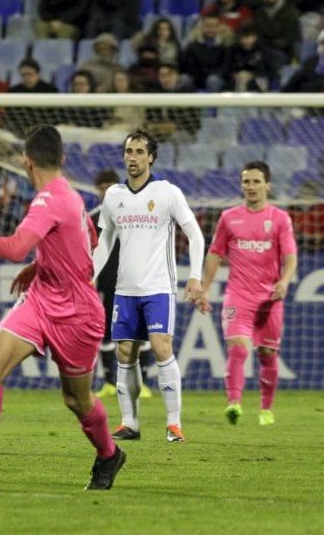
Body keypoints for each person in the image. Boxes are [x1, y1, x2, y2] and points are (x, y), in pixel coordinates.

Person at [0, 125, 125, 490]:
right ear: (62, 158)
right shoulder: (69, 195)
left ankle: (109, 454)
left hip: (77, 313)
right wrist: (42, 265)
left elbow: (13, 248)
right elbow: (87, 240)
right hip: (43, 299)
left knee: (77, 400)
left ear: (26, 162)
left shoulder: (47, 199)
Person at [92, 130, 206, 443]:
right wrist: (87, 276)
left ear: (151, 157)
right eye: (129, 151)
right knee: (125, 352)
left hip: (158, 287)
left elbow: (195, 234)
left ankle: (173, 424)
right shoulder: (114, 196)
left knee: (160, 347)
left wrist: (195, 276)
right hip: (125, 289)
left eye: (140, 151)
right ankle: (129, 423)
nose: (133, 157)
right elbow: (104, 241)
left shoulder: (167, 192)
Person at [196, 161, 297, 427]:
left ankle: (266, 408)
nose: (250, 187)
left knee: (267, 354)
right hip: (238, 296)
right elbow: (215, 254)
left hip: (270, 299)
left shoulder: (279, 219)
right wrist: (204, 290)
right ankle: (234, 404)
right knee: (238, 349)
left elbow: (290, 256)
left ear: (267, 185)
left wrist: (284, 281)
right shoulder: (229, 218)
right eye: (246, 182)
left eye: (255, 181)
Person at [90, 169, 155, 400]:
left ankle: (144, 383)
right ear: (98, 190)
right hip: (106, 283)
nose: (106, 189)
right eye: (102, 186)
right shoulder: (93, 217)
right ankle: (108, 382)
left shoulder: (134, 214)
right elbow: (88, 251)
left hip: (134, 281)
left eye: (110, 185)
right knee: (106, 331)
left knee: (140, 331)